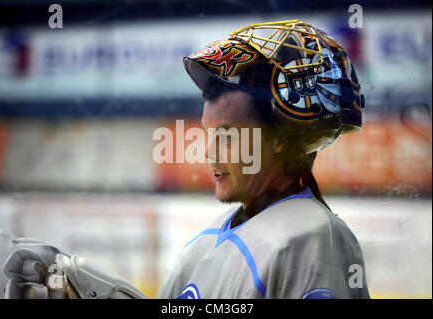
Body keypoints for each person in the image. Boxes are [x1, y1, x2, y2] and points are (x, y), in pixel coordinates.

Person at [157, 20, 370, 299]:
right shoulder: (206, 239)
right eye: (208, 134)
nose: (208, 152)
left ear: (280, 138)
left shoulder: (310, 242)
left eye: (228, 136)